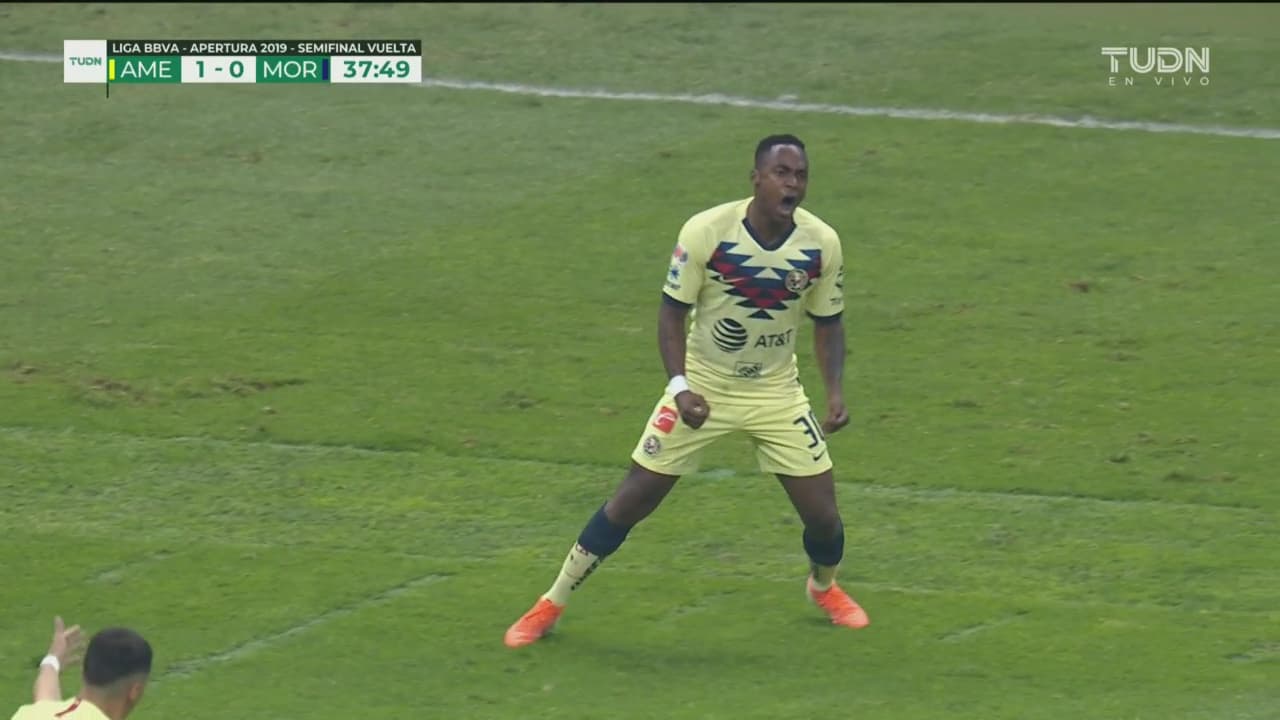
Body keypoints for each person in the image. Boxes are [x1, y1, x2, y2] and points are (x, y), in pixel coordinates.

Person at [505, 134, 869, 648]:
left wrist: (834, 392)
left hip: (775, 392)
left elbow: (829, 322)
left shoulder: (821, 243)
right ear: (756, 179)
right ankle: (550, 603)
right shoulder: (707, 231)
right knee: (633, 499)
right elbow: (671, 314)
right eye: (781, 173)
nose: (792, 184)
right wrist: (680, 388)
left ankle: (823, 588)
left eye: (801, 175)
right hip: (704, 385)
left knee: (824, 518)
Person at [11, 618, 153, 720]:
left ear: (83, 672)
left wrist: (52, 660)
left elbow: (45, 697)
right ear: (135, 691)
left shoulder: (29, 714)